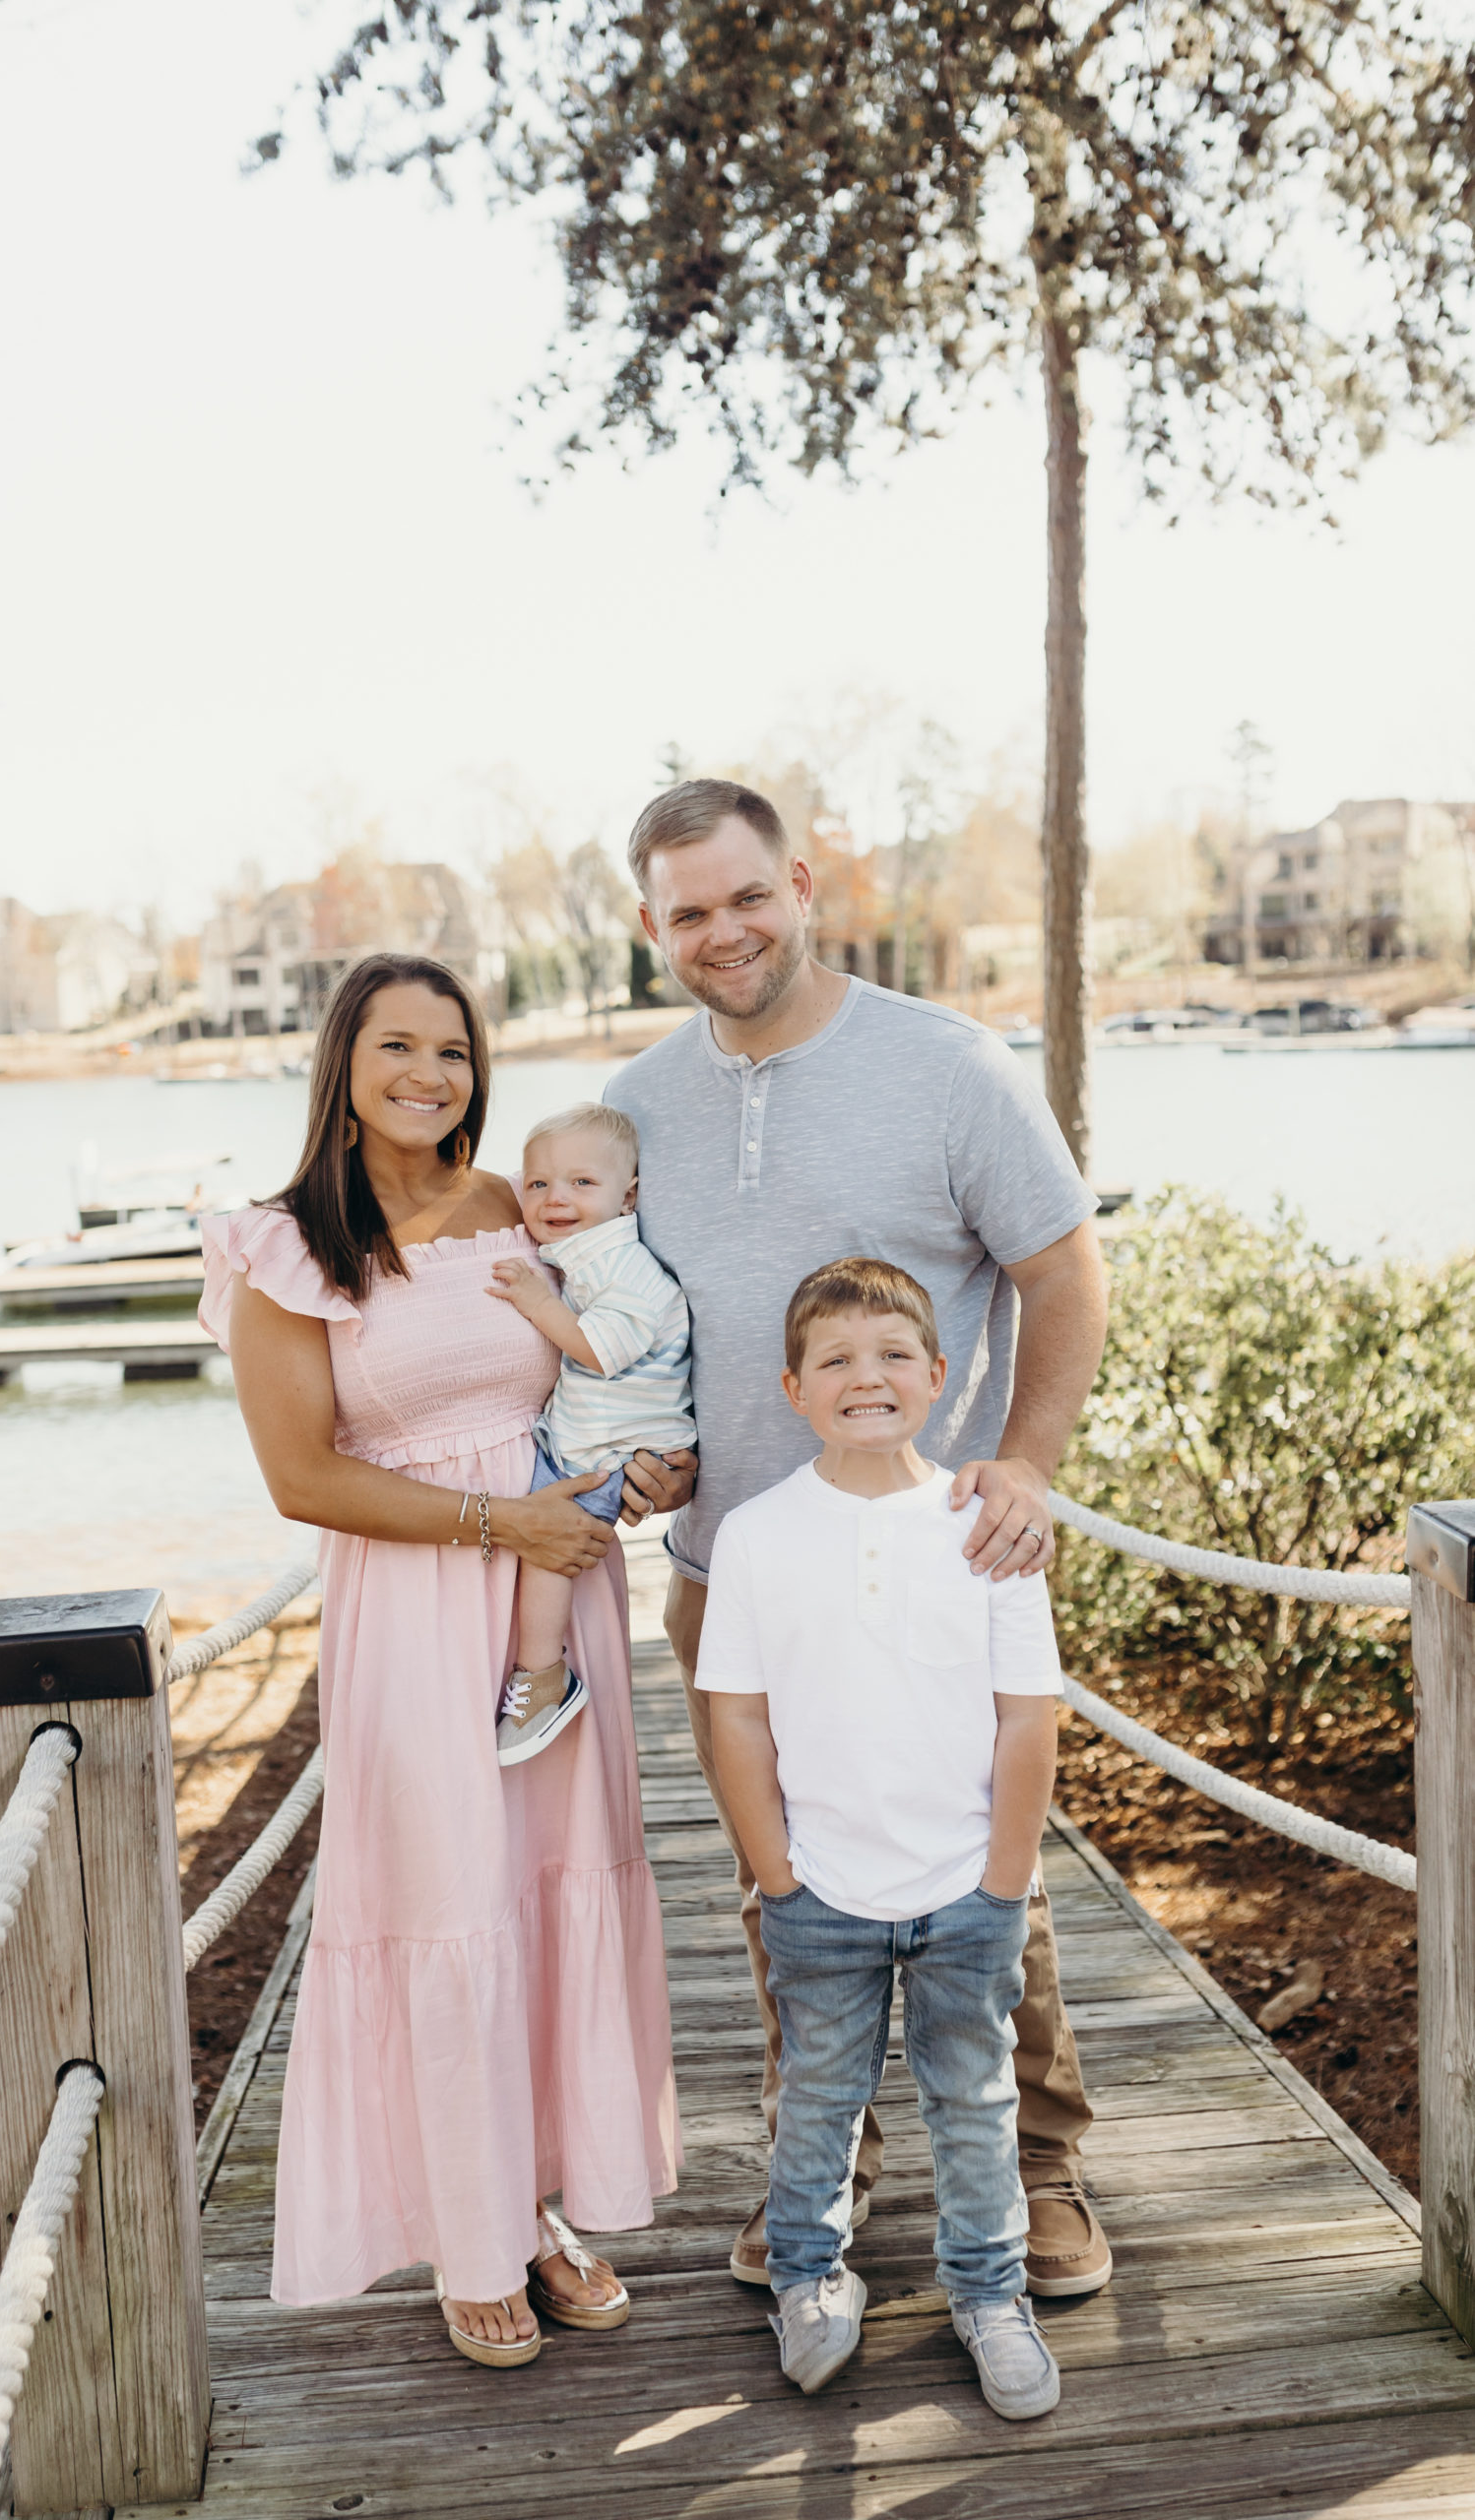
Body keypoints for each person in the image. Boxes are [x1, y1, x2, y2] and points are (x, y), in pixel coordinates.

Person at [606, 777, 1114, 2299]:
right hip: (731, 1572)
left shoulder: (945, 1067)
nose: (723, 931)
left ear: (802, 886)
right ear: (651, 927)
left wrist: (1021, 1467)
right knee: (785, 1878)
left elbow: (1063, 1271)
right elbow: (631, 1320)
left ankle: (1038, 2168)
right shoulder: (634, 1106)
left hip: (936, 1557)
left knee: (988, 1871)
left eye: (745, 896)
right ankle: (821, 2165)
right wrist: (640, 1450)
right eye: (687, 912)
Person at [199, 952, 679, 2369]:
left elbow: (609, 1361)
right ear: (342, 1064)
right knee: (449, 1899)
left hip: (557, 1588)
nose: (429, 1074)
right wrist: (496, 1522)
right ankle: (469, 2237)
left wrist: (645, 1465)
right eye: (398, 1046)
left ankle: (534, 2203)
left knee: (545, 1891)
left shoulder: (522, 1210)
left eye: (454, 1051)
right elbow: (299, 1475)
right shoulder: (285, 1246)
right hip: (416, 1606)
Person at [700, 1257, 1063, 2414]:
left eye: (895, 1353)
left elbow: (1028, 1717)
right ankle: (810, 2280)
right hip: (820, 1889)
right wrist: (777, 1874)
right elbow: (736, 1716)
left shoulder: (987, 1527)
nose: (868, 1376)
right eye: (838, 1359)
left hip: (965, 1887)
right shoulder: (757, 1535)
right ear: (794, 1387)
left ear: (940, 1374)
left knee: (975, 2100)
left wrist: (1004, 1880)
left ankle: (989, 2293)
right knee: (818, 2098)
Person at [484, 1102, 695, 1764]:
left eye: (581, 1183)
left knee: (550, 1548)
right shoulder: (585, 1254)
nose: (556, 1198)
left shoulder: (623, 1268)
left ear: (627, 1195)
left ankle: (543, 1677)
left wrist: (536, 1302)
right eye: (538, 1183)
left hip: (616, 1449)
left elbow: (600, 1351)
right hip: (594, 1436)